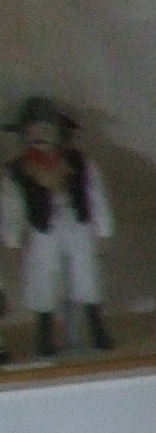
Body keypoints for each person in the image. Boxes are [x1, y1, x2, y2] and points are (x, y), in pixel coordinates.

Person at [4, 96, 117, 356]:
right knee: (42, 277)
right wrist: (13, 236)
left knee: (86, 275)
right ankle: (44, 337)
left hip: (77, 225)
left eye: (45, 128)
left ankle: (97, 329)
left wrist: (103, 228)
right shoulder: (19, 169)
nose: (39, 135)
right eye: (32, 130)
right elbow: (12, 205)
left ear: (59, 131)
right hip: (43, 229)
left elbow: (95, 194)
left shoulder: (79, 162)